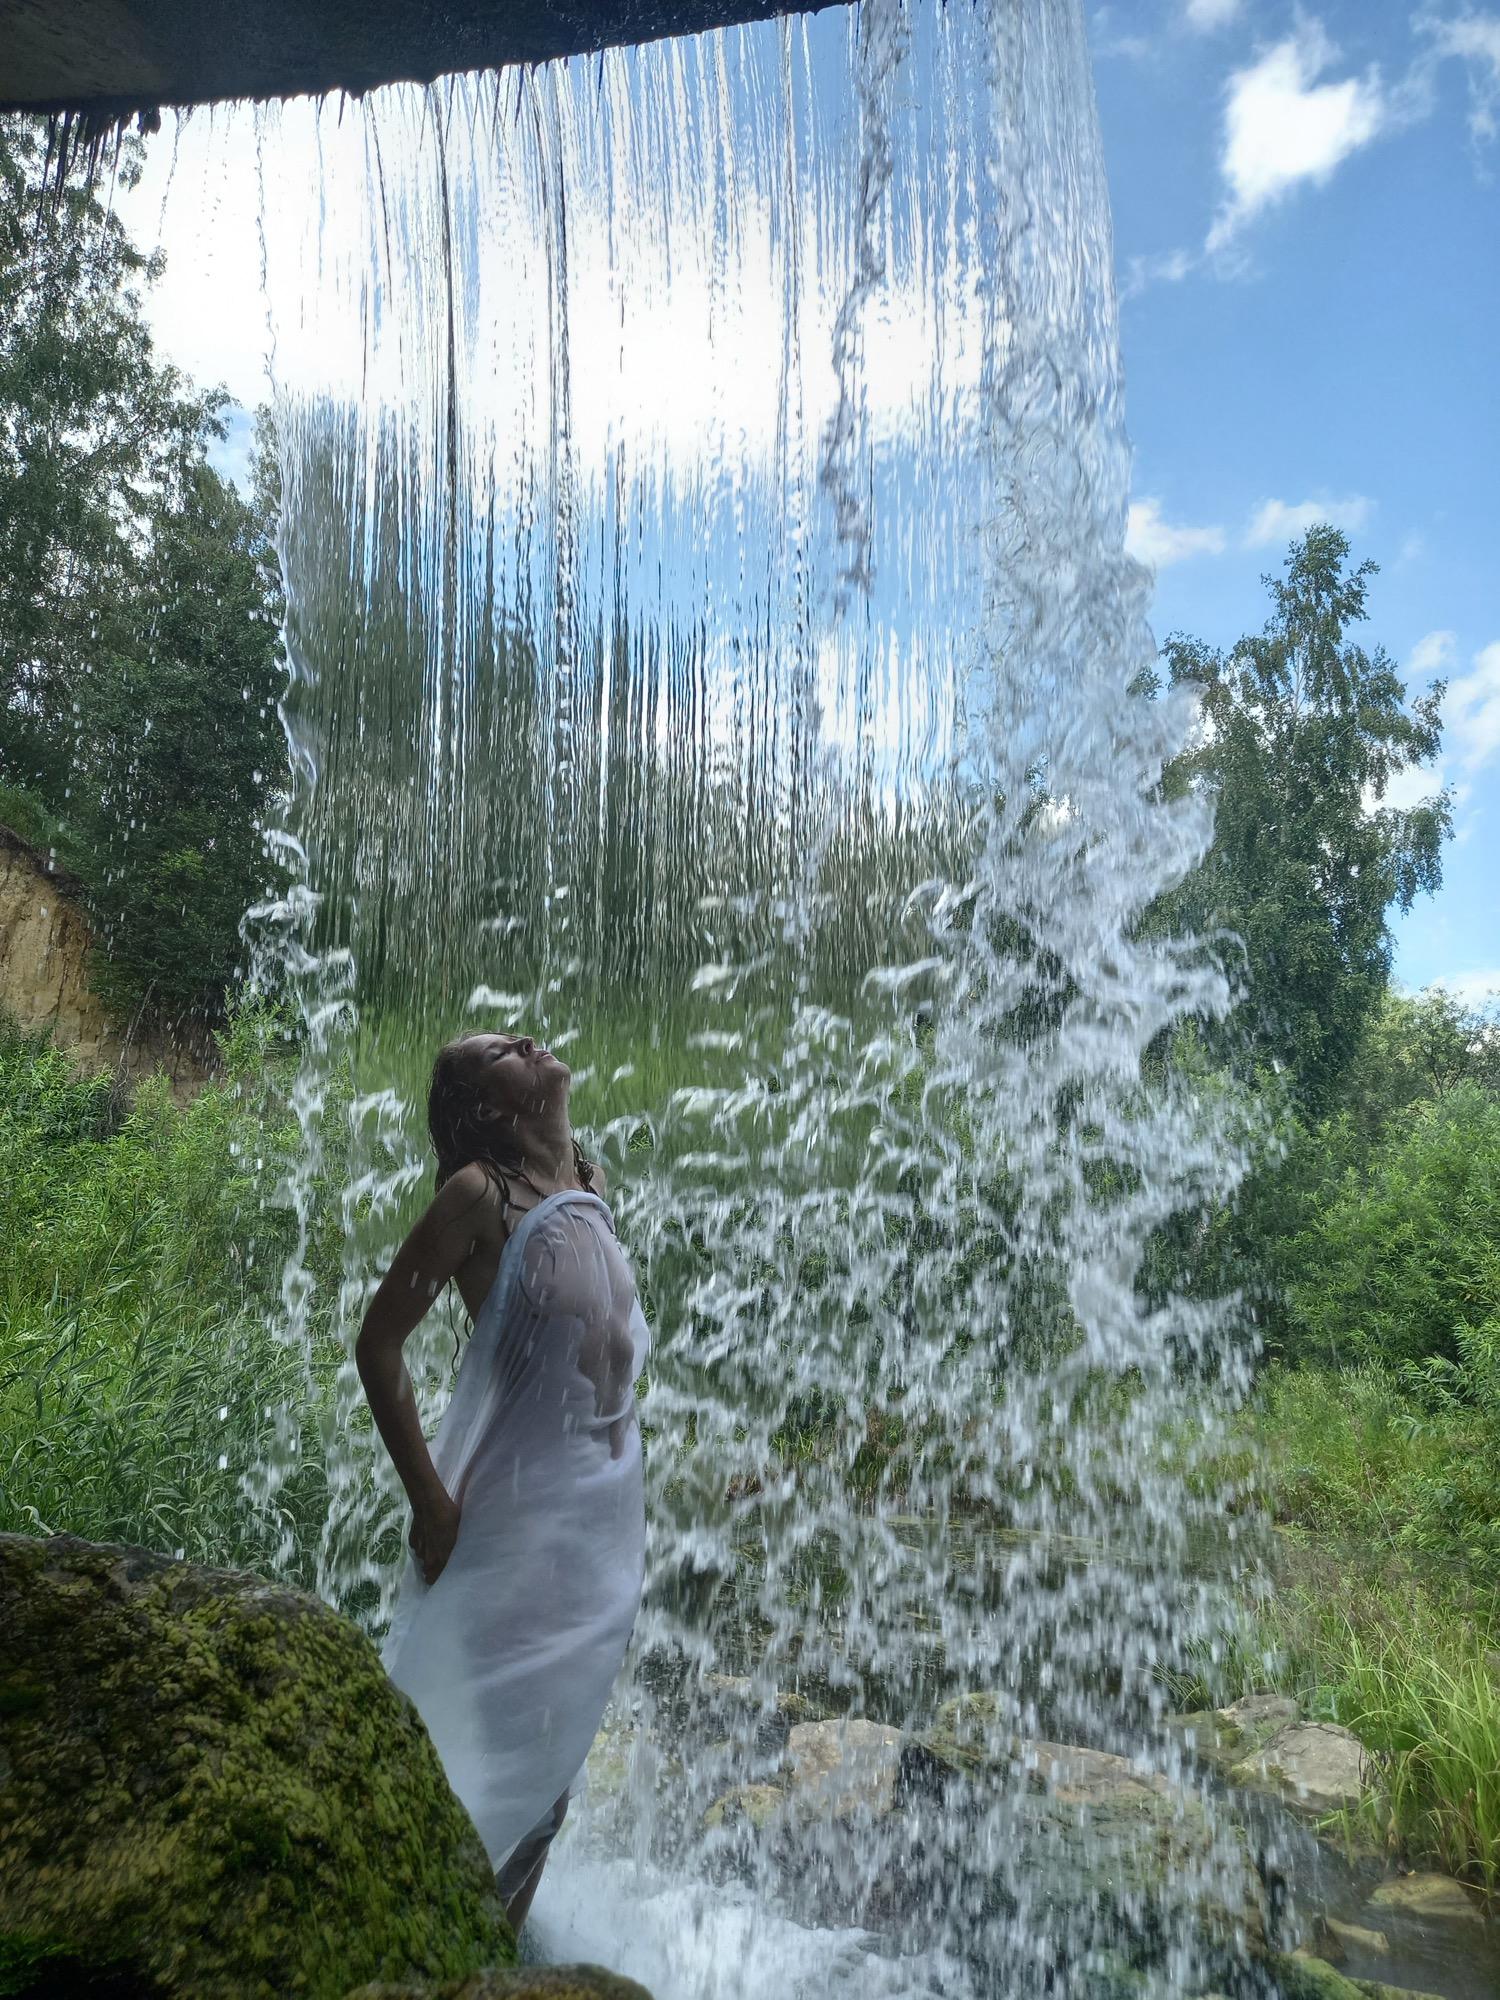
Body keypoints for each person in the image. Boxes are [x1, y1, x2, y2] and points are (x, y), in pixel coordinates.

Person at [356, 1030, 650, 1930]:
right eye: (500, 1053)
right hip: (512, 1520)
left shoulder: (587, 1188)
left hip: (594, 1525)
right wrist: (431, 1505)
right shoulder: (479, 1197)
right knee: (494, 1739)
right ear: (488, 1108)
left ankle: (491, 1952)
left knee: (555, 1765)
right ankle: (421, 1929)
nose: (527, 1039)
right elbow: (379, 1345)